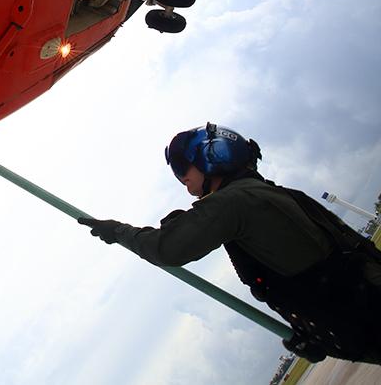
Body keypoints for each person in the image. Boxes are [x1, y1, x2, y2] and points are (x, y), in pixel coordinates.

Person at [78, 122, 381, 364]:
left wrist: (118, 231)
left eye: (183, 167)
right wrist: (320, 334)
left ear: (211, 156)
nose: (181, 177)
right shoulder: (260, 192)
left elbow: (166, 248)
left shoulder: (235, 202)